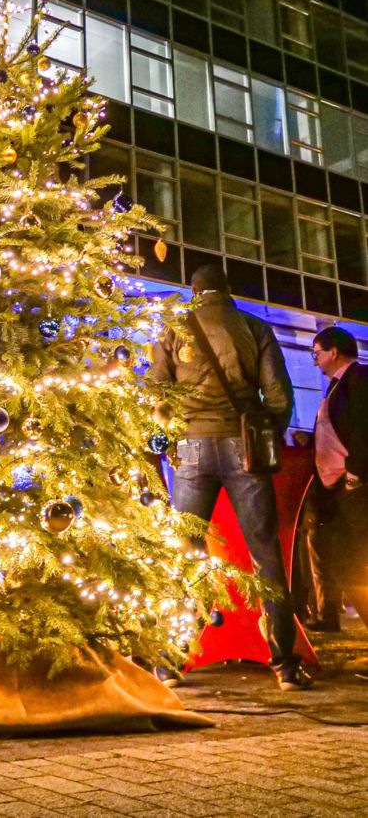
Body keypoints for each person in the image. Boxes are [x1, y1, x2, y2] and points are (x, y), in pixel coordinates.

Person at [151, 264, 312, 691]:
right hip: (244, 447)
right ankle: (285, 665)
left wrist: (173, 441)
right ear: (227, 290)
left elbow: (156, 394)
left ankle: (170, 661)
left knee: (185, 554)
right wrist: (264, 437)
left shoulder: (172, 329)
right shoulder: (253, 327)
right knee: (265, 553)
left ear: (195, 291)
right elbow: (278, 394)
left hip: (190, 448)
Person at [307, 327, 368, 633]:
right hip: (336, 486)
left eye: (316, 353)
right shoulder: (335, 386)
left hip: (354, 486)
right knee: (342, 557)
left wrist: (355, 475)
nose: (314, 361)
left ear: (334, 352)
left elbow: (362, 427)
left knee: (356, 559)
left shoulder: (360, 379)